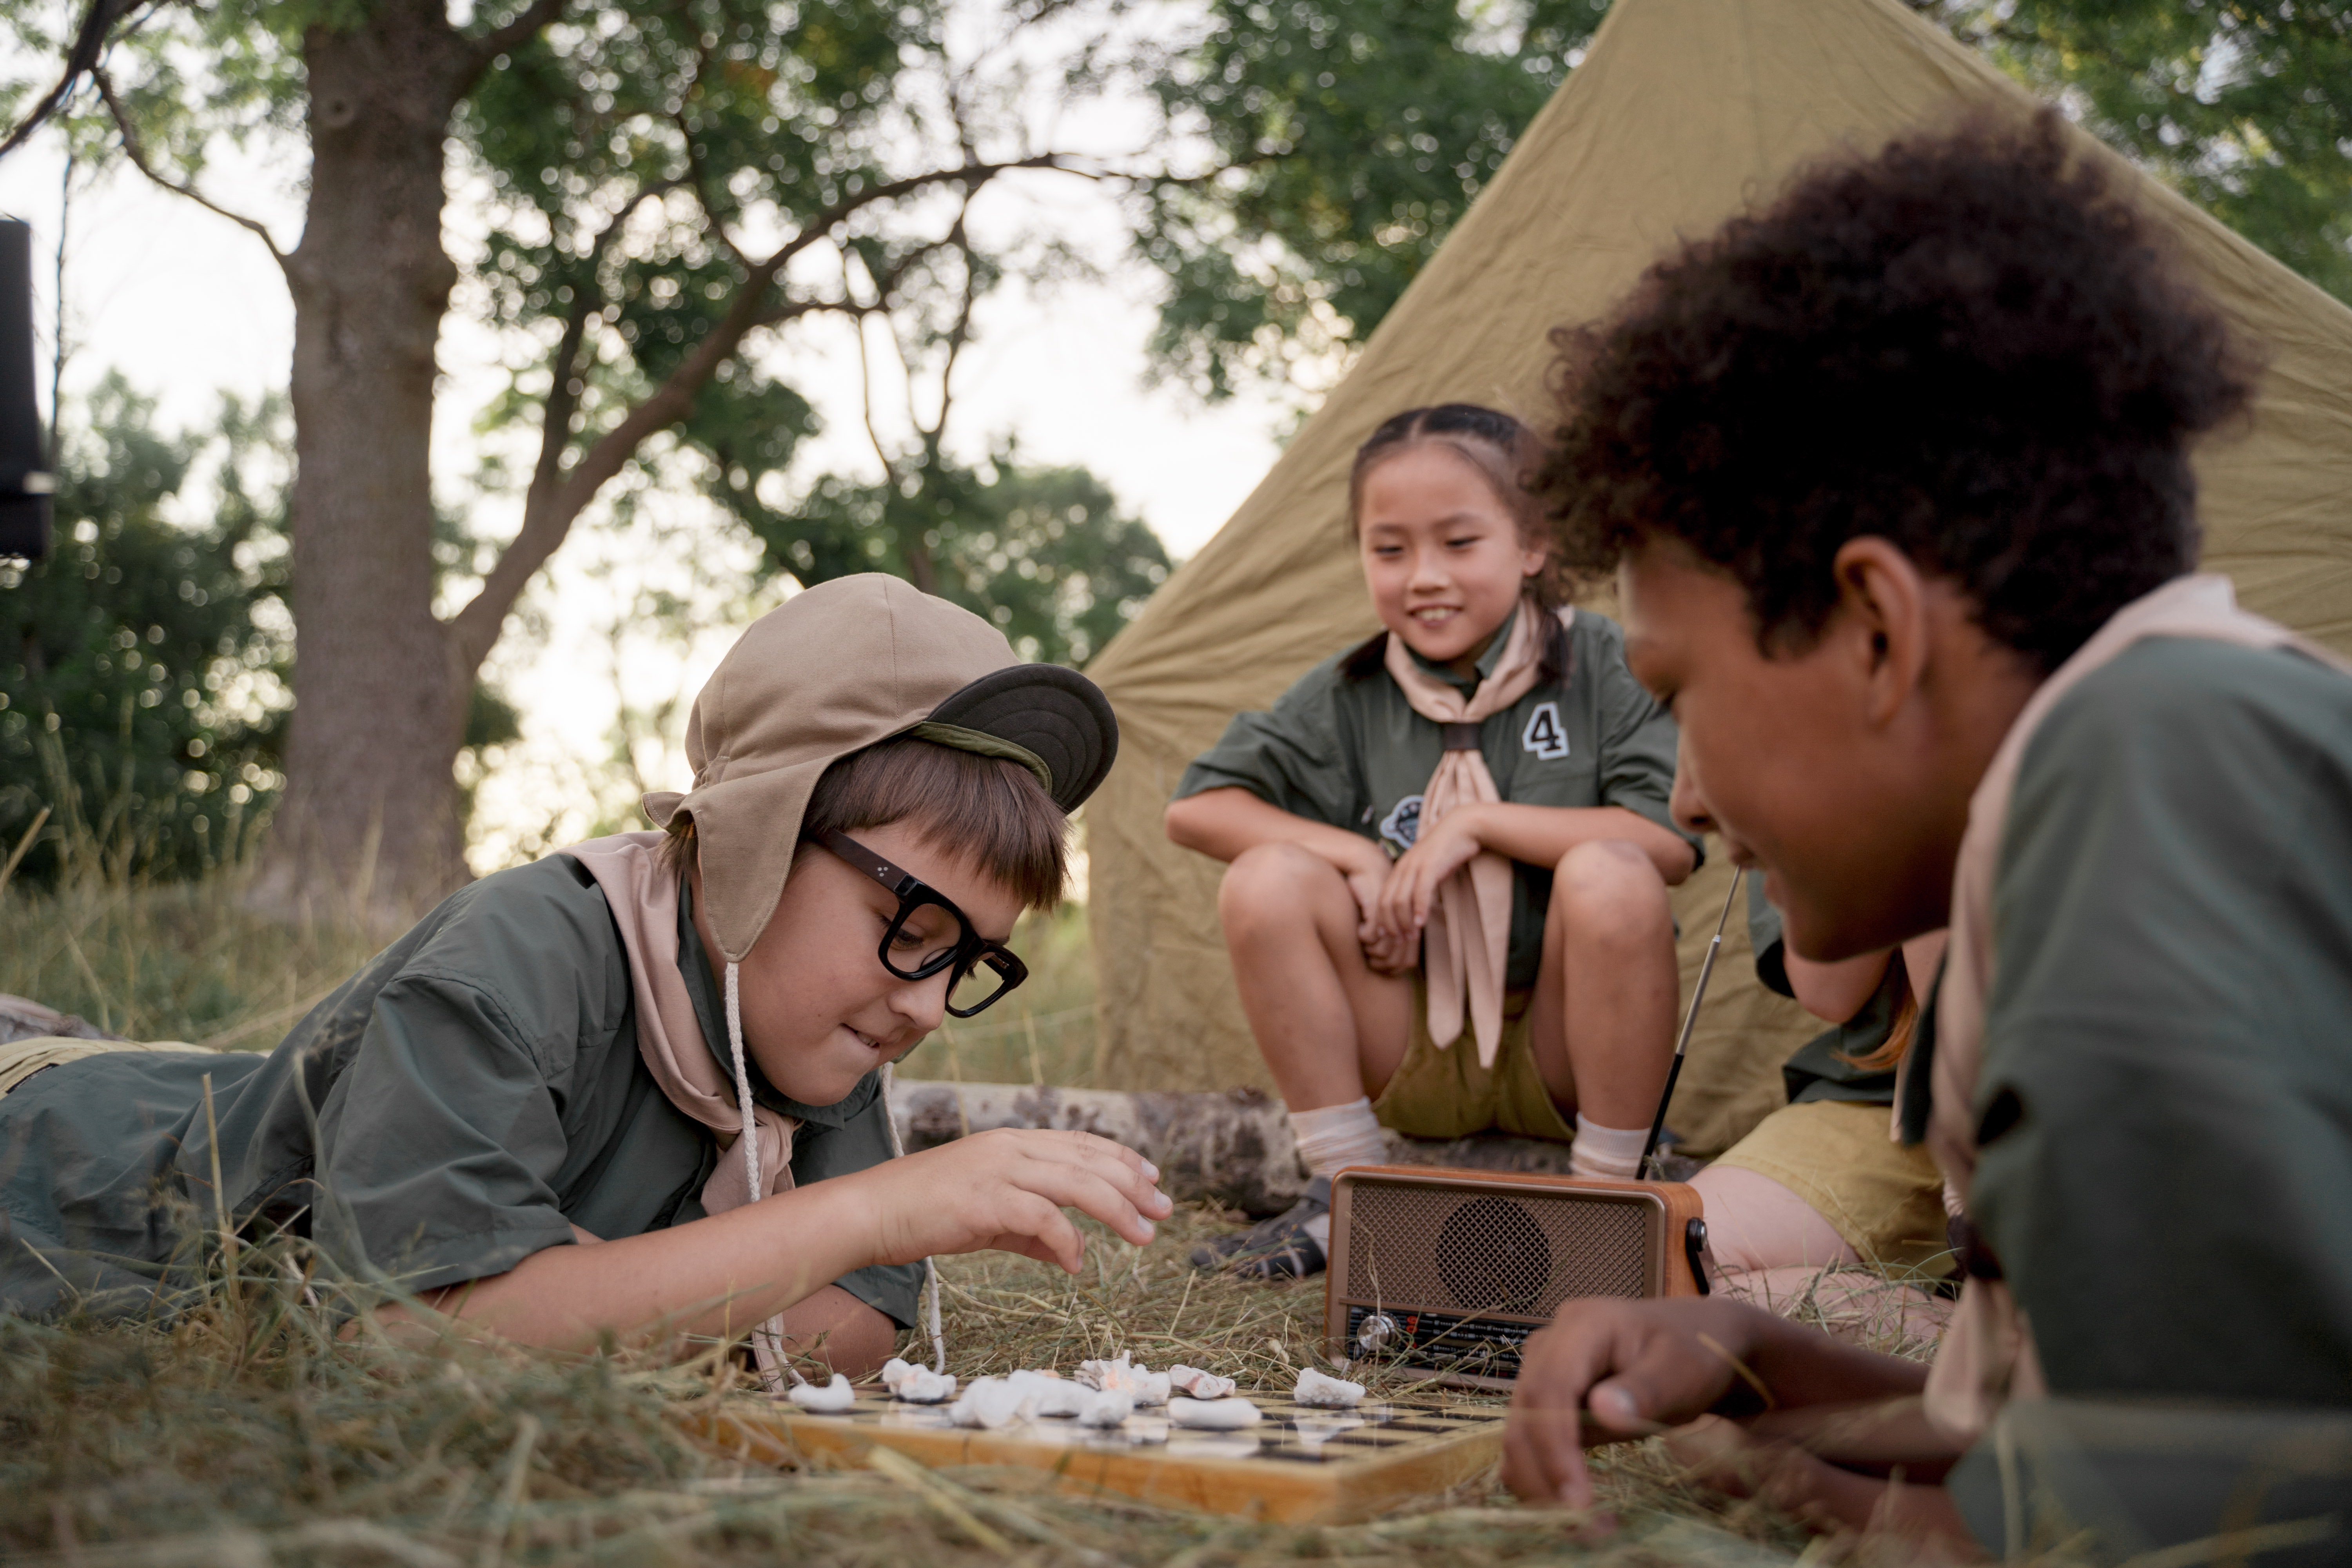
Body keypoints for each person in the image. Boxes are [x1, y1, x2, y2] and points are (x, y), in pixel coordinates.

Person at [1497, 112, 2352, 1556]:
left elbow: (2231, 1511)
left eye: (1679, 696)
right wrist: (1764, 1363)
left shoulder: (2153, 757)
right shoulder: (2091, 794)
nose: (1686, 796)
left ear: (1879, 633)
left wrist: (1873, 1521)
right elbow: (2089, 1437)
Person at [0, 575, 1171, 1379]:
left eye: (965, 958)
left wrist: (592, 1307)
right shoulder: (518, 960)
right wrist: (856, 1213)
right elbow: (416, 1339)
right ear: (762, 833)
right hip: (53, 1145)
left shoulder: (817, 1029)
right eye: (909, 922)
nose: (924, 1002)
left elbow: (859, 1321)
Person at [1165, 403, 1700, 1281]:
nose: (1423, 578)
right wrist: (1356, 855)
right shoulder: (1353, 688)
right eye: (1389, 550)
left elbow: (1669, 840)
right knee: (1266, 877)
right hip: (1410, 1038)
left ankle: (1608, 1201)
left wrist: (1476, 825)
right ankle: (1345, 1191)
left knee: (1614, 871)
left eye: (1458, 543)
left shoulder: (1602, 659)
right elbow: (1197, 806)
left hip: (1565, 1048)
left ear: (1533, 545)